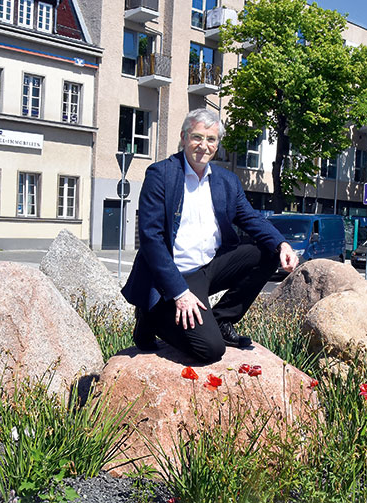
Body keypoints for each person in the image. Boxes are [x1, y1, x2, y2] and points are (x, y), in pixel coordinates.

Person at [121, 108, 299, 363]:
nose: (204, 146)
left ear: (218, 144)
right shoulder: (161, 175)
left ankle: (222, 319)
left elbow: (250, 217)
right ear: (183, 138)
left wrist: (282, 244)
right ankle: (153, 317)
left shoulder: (226, 181)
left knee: (268, 251)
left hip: (208, 269)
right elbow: (151, 239)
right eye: (197, 137)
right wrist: (179, 293)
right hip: (173, 276)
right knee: (211, 350)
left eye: (211, 139)